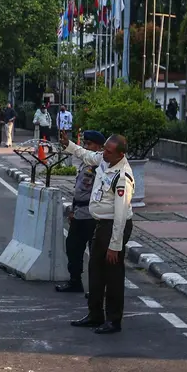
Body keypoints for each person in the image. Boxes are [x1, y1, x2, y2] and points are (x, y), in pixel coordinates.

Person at [59, 131, 136, 334]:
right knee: (95, 270)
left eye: (109, 152)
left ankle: (113, 320)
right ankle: (95, 314)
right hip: (101, 224)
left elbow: (120, 215)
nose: (105, 154)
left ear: (120, 155)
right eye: (105, 150)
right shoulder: (104, 161)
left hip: (113, 227)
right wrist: (69, 145)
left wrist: (115, 245)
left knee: (113, 274)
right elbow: (87, 155)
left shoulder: (122, 177)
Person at [55, 130, 106, 294]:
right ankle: (75, 281)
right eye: (85, 143)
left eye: (89, 144)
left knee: (95, 254)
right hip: (79, 213)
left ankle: (97, 289)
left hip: (93, 215)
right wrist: (72, 210)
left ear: (99, 146)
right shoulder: (87, 162)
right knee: (73, 248)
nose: (86, 146)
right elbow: (79, 190)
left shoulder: (102, 164)